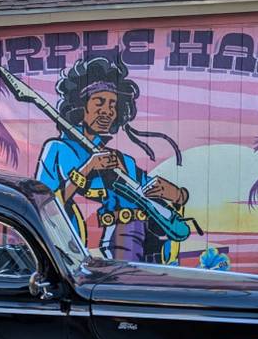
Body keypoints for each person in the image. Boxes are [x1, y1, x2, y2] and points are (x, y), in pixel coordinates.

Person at [36, 55, 188, 263]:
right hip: (82, 251)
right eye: (99, 102)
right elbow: (43, 208)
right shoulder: (57, 150)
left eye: (112, 105)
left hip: (145, 248)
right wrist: (88, 168)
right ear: (81, 106)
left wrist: (177, 195)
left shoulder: (122, 160)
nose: (107, 111)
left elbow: (147, 194)